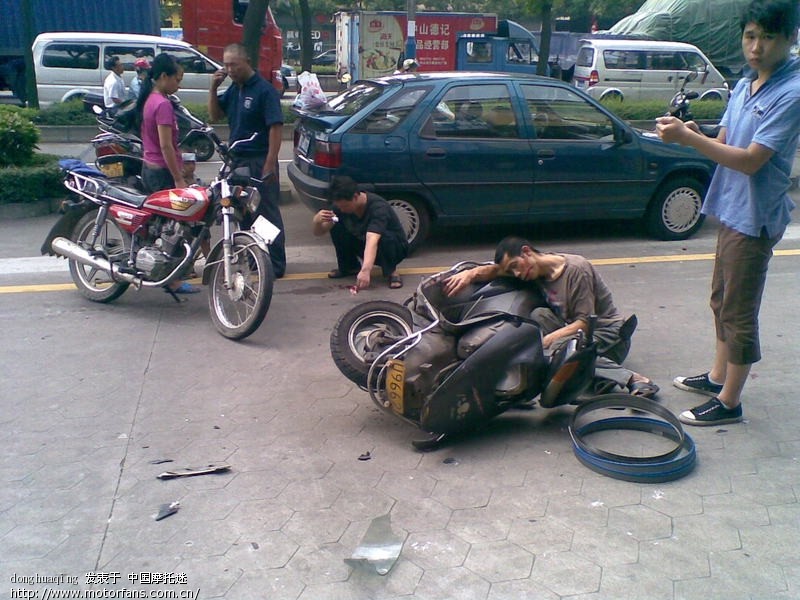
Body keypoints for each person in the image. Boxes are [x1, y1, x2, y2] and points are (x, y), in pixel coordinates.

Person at [655, 0, 800, 426]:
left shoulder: (791, 93)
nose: (756, 47)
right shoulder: (745, 85)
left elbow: (752, 160)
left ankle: (730, 402)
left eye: (768, 37)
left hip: (755, 218)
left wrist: (687, 140)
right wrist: (695, 133)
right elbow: (726, 138)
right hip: (730, 208)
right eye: (750, 36)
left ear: (790, 39)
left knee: (738, 311)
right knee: (721, 299)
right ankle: (718, 376)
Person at [443, 236, 659, 398]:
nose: (517, 274)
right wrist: (469, 273)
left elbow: (584, 322)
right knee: (538, 315)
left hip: (608, 334)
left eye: (516, 267)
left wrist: (546, 342)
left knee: (552, 350)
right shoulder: (533, 269)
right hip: (575, 329)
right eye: (513, 271)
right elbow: (494, 271)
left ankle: (635, 379)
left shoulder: (576, 269)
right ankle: (597, 378)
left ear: (527, 252)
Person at [208, 42, 286, 279]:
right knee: (243, 213)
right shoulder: (234, 89)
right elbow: (215, 115)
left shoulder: (264, 90)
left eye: (234, 64)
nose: (229, 69)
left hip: (258, 160)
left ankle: (275, 262)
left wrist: (270, 163)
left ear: (247, 62)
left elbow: (275, 127)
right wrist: (213, 87)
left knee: (265, 213)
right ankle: (254, 258)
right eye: (226, 65)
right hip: (236, 162)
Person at [135, 53, 197, 295]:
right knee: (175, 226)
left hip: (149, 167)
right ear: (163, 77)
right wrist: (179, 177)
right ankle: (171, 279)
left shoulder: (150, 99)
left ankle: (156, 268)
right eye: (177, 79)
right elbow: (166, 145)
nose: (178, 85)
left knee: (157, 224)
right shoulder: (162, 104)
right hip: (162, 172)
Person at [312, 175, 408, 290]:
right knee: (336, 225)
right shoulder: (342, 206)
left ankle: (391, 271)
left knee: (384, 237)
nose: (341, 209)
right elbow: (319, 232)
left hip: (394, 247)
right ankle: (349, 267)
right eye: (339, 206)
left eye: (345, 206)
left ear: (355, 196)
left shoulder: (378, 207)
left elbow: (372, 239)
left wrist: (366, 270)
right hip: (365, 241)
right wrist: (317, 221)